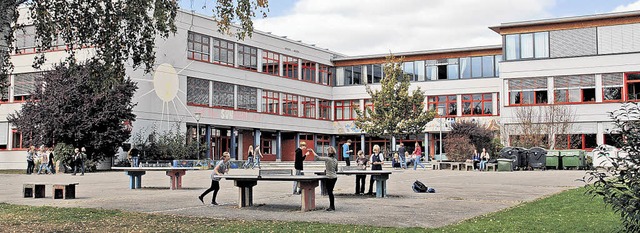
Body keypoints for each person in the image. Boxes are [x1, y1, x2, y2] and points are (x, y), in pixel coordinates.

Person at [308, 146, 338, 211]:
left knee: (330, 192)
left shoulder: (327, 159)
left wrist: (312, 151)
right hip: (334, 177)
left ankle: (332, 207)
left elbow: (317, 158)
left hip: (329, 177)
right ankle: (332, 206)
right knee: (330, 192)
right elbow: (336, 169)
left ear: (329, 153)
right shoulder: (335, 160)